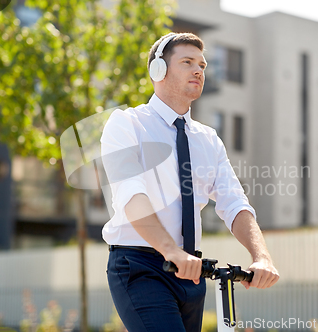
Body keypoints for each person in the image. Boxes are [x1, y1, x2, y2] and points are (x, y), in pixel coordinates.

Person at [101, 32, 279, 332]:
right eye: (187, 62)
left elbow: (234, 202)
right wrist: (171, 250)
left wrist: (261, 257)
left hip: (191, 272)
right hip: (140, 266)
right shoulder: (127, 124)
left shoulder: (208, 139)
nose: (199, 70)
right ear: (158, 70)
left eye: (203, 65)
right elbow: (131, 195)